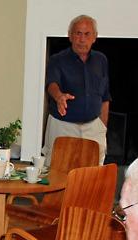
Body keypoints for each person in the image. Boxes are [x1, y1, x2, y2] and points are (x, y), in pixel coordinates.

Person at [44, 14, 110, 166]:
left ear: (95, 37)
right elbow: (51, 84)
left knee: (92, 175)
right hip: (63, 126)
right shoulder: (57, 59)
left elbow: (105, 96)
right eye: (78, 33)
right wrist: (59, 96)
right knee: (58, 171)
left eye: (87, 34)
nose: (82, 39)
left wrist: (102, 127)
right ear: (70, 36)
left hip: (93, 127)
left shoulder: (101, 60)